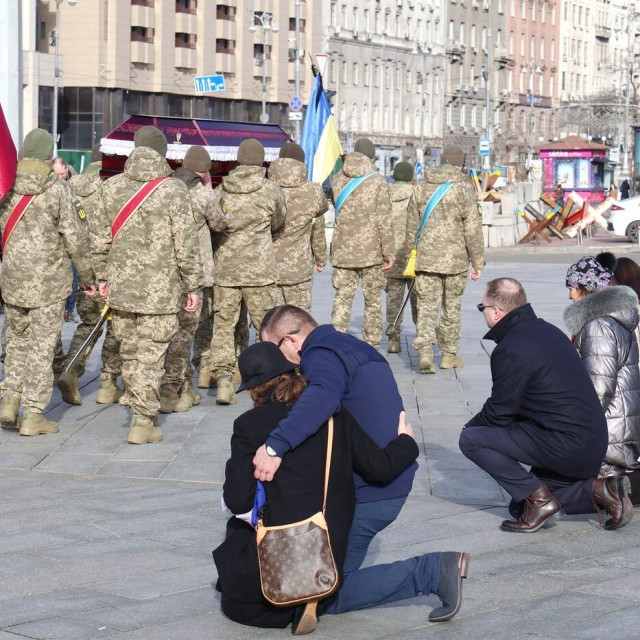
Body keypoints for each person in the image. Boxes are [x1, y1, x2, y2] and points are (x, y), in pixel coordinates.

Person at [214, 341, 469, 632]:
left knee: (242, 562)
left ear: (254, 389)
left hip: (280, 545)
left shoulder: (248, 424)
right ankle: (308, 597)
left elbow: (237, 500)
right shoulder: (334, 415)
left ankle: (428, 572)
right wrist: (406, 443)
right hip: (328, 534)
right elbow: (380, 467)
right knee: (326, 586)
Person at [254, 305, 419, 584]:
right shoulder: (352, 346)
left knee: (327, 590)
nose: (274, 361)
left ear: (291, 340)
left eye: (272, 350)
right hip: (388, 474)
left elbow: (322, 397)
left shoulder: (321, 354)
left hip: (372, 490)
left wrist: (274, 447)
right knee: (323, 583)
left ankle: (432, 572)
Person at [459, 277, 634, 532]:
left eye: (481, 307)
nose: (483, 312)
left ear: (496, 312)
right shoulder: (548, 330)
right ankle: (603, 491)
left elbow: (500, 412)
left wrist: (469, 427)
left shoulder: (510, 348)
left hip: (567, 445)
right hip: (592, 442)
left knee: (472, 439)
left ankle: (543, 500)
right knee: (521, 506)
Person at [92, 125, 203, 444]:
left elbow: (99, 240)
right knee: (152, 355)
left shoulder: (110, 187)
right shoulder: (174, 190)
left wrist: (103, 277)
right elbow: (186, 243)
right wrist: (193, 285)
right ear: (163, 153)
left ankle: (136, 403)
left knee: (130, 351)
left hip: (121, 288)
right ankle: (142, 421)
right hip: (161, 291)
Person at [0, 128, 95, 436]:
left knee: (16, 343)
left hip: (13, 280)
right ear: (48, 156)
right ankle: (34, 415)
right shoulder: (59, 190)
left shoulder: (6, 187)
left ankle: (9, 402)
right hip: (49, 284)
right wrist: (89, 277)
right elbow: (77, 239)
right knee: (42, 347)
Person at [209, 138, 286, 406]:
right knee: (265, 326)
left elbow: (214, 224)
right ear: (261, 161)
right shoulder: (270, 190)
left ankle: (223, 381)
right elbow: (279, 222)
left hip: (226, 271)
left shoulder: (222, 190)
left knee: (224, 327)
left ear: (239, 160)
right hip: (259, 271)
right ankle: (267, 380)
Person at [53, 149, 124, 406]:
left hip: (83, 268)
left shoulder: (71, 188)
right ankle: (108, 382)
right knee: (117, 325)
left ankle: (71, 370)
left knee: (89, 324)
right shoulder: (113, 187)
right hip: (110, 266)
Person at [159, 145, 227, 413]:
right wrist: (210, 190)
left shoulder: (164, 190)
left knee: (169, 332)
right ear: (205, 171)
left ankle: (185, 387)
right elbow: (221, 223)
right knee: (186, 334)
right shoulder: (202, 195)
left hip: (165, 274)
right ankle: (172, 389)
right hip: (195, 275)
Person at [405, 144, 484, 374]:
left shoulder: (421, 188)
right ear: (459, 164)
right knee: (452, 308)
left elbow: (411, 228)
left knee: (426, 308)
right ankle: (448, 355)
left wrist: (412, 252)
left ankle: (425, 354)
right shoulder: (464, 189)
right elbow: (472, 229)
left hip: (426, 261)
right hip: (455, 262)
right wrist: (477, 261)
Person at [564, 256, 640, 481]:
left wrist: (577, 427)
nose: (569, 295)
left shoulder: (598, 325)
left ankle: (612, 494)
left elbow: (599, 388)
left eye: (572, 288)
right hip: (620, 423)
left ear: (584, 288)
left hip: (609, 431)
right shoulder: (614, 319)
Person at [330, 137, 395, 350]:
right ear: (371, 156)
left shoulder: (338, 179)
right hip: (371, 253)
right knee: (373, 301)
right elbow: (384, 219)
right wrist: (389, 252)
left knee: (342, 299)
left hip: (342, 251)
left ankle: (337, 342)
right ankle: (372, 345)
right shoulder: (377, 181)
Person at [267, 141, 328, 311]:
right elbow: (318, 225)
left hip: (268, 267)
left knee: (270, 320)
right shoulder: (314, 191)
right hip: (299, 268)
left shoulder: (265, 188)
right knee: (299, 318)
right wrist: (321, 258)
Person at [386, 161, 418, 353]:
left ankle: (393, 338)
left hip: (391, 256)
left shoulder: (385, 195)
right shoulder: (418, 194)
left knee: (393, 299)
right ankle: (422, 336)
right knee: (418, 300)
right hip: (413, 256)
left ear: (394, 176)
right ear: (411, 177)